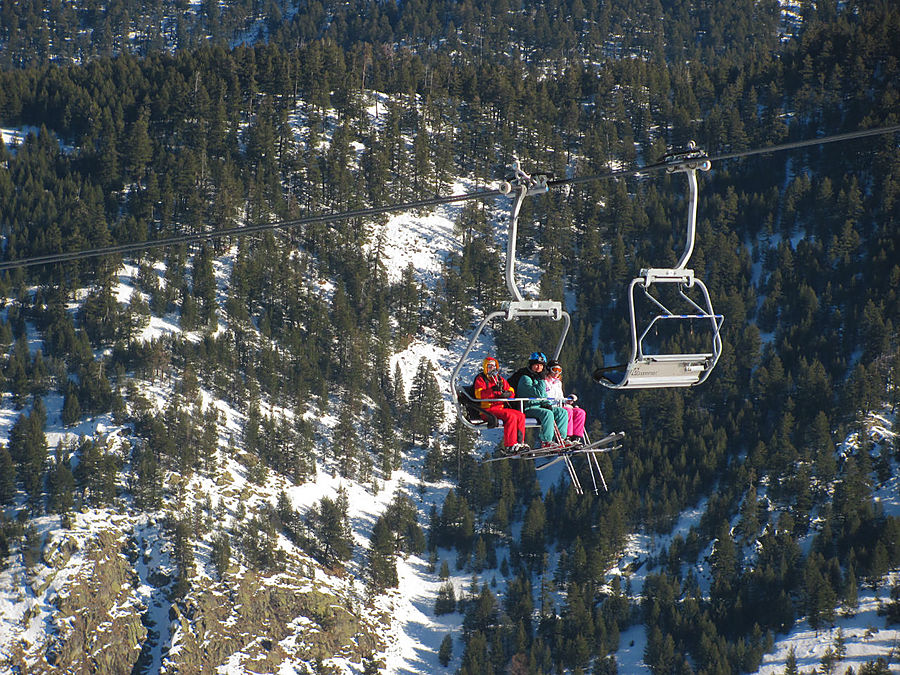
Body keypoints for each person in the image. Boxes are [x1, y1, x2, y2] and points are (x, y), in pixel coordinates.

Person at [473, 357, 529, 454]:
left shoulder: (499, 379)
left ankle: (520, 442)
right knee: (510, 416)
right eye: (489, 366)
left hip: (500, 408)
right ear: (485, 367)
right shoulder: (481, 379)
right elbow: (479, 395)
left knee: (520, 415)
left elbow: (511, 390)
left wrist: (507, 394)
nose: (492, 368)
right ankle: (510, 445)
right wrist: (493, 391)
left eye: (494, 366)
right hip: (487, 410)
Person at [512, 352, 568, 448]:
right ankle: (546, 441)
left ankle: (561, 439)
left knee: (562, 412)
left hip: (539, 406)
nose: (539, 368)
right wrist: (542, 380)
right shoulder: (526, 378)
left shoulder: (537, 378)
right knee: (547, 414)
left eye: (541, 366)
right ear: (531, 365)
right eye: (536, 365)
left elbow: (543, 395)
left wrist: (546, 403)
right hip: (529, 408)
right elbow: (538, 393)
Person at [545, 360, 587, 442]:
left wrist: (567, 400)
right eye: (554, 369)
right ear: (549, 369)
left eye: (559, 370)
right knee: (567, 411)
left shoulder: (558, 383)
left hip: (561, 405)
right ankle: (566, 436)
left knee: (580, 412)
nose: (557, 372)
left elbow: (560, 397)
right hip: (551, 407)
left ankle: (575, 438)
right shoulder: (544, 382)